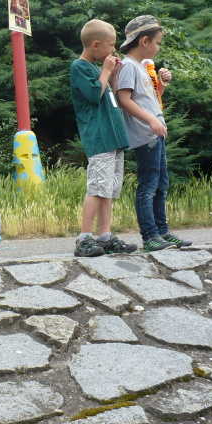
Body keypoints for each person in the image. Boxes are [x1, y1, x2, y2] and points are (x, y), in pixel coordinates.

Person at [116, 15, 192, 252]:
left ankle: (162, 232)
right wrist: (151, 120)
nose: (158, 48)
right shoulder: (128, 66)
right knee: (148, 186)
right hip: (145, 135)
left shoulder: (142, 67)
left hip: (155, 133)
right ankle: (149, 236)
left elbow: (150, 100)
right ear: (144, 41)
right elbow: (124, 99)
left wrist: (161, 84)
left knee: (160, 185)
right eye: (157, 43)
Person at [69, 20, 137, 257]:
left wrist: (113, 75)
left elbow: (111, 96)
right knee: (97, 188)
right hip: (99, 138)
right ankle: (84, 239)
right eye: (111, 45)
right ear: (95, 45)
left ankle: (105, 236)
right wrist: (107, 71)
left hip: (114, 137)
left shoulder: (99, 70)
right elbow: (93, 94)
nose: (113, 50)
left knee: (108, 190)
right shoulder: (79, 67)